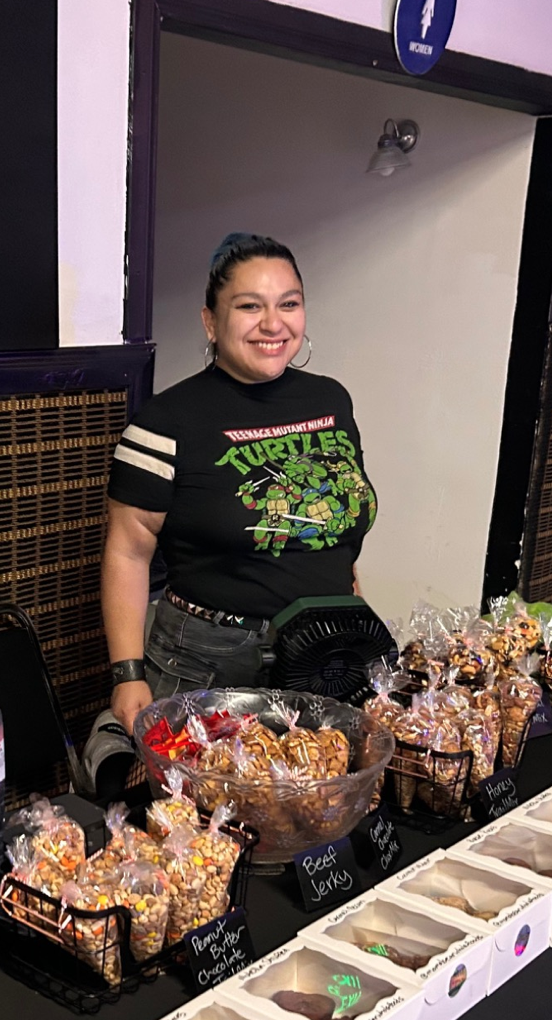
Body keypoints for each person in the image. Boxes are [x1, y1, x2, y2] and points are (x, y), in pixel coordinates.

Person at [101, 233, 378, 736]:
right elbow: (127, 551)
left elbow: (337, 526)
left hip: (324, 652)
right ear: (210, 321)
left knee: (320, 784)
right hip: (207, 664)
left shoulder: (331, 401)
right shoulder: (165, 421)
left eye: (288, 304)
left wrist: (350, 618)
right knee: (199, 790)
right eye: (250, 306)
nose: (273, 323)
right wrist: (127, 674)